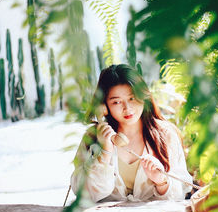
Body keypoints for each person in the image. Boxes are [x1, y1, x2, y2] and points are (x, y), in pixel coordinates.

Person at [70, 64, 192, 203]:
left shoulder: (165, 134)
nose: (127, 108)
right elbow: (83, 194)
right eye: (116, 102)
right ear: (104, 106)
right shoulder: (92, 138)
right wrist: (104, 153)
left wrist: (162, 182)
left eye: (132, 98)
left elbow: (181, 194)